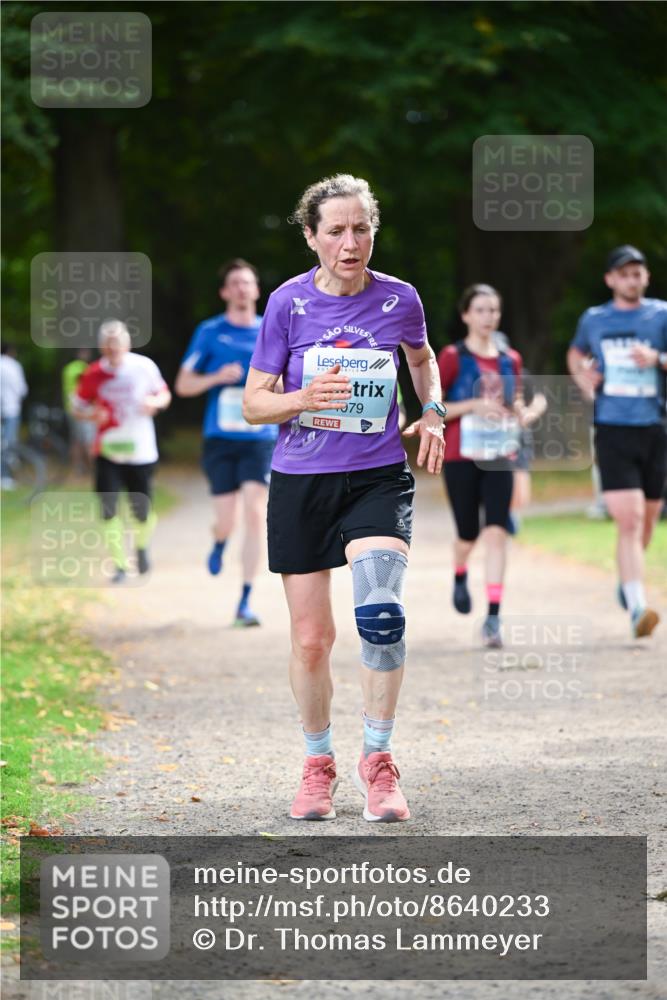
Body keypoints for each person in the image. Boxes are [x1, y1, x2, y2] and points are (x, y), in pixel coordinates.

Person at [243, 174, 445, 823]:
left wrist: (432, 409)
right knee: (310, 640)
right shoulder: (286, 305)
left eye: (361, 229)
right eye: (335, 230)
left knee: (381, 613)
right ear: (311, 236)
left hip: (376, 476)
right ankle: (317, 764)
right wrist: (301, 399)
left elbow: (421, 358)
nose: (350, 242)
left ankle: (378, 762)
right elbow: (253, 402)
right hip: (301, 482)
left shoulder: (399, 299)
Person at [567, 245, 667, 638]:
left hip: (655, 427)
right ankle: (638, 606)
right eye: (624, 273)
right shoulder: (594, 319)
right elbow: (575, 355)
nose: (632, 279)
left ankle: (628, 581)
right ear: (610, 279)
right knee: (631, 520)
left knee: (648, 519)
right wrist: (583, 379)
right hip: (612, 428)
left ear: (645, 277)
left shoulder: (661, 315)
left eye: (637, 272)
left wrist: (656, 358)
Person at [175, 259, 276, 627]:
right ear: (224, 292)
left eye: (247, 283)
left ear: (256, 290)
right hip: (220, 439)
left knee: (253, 513)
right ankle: (219, 540)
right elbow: (183, 385)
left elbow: (289, 381)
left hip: (259, 437)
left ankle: (245, 600)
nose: (241, 289)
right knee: (226, 519)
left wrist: (269, 389)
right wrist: (216, 377)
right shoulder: (209, 332)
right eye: (234, 283)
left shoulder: (271, 329)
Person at [438, 284, 536, 648]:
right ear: (466, 315)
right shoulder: (452, 356)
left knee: (497, 531)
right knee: (468, 533)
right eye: (480, 310)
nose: (488, 317)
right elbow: (435, 408)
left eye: (493, 310)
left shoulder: (511, 359)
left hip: (500, 456)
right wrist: (473, 407)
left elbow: (517, 400)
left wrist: (521, 411)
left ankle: (493, 617)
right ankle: (460, 570)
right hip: (461, 457)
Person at [73, 320, 171, 584]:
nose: (114, 348)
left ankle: (141, 548)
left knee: (142, 510)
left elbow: (164, 394)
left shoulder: (143, 367)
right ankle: (118, 564)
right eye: (108, 344)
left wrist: (155, 403)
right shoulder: (93, 374)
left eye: (118, 343)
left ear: (127, 344)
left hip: (141, 450)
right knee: (108, 508)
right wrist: (92, 414)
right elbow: (76, 407)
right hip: (107, 451)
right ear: (101, 347)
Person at [494, 331, 548, 533]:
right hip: (489, 440)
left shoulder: (520, 375)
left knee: (520, 494)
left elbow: (539, 399)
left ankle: (509, 518)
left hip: (518, 438)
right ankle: (498, 520)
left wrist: (528, 413)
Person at [62, 347, 95, 475]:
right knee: (88, 440)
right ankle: (94, 470)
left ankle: (77, 468)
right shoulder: (84, 368)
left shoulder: (68, 368)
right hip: (82, 409)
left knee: (75, 440)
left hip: (69, 408)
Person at [1, 343, 28, 490]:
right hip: (11, 409)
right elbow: (22, 389)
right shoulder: (14, 366)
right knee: (8, 443)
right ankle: (5, 477)